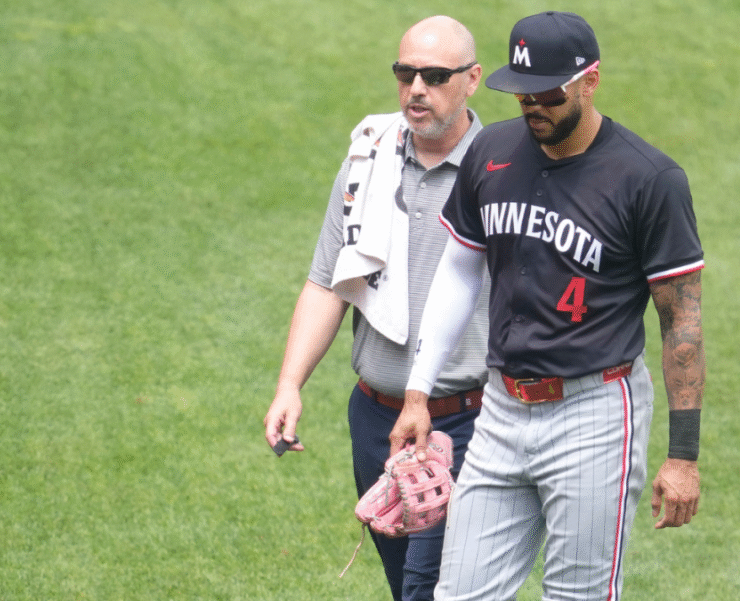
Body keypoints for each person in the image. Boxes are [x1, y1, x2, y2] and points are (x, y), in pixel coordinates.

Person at [389, 11, 705, 600]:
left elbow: (681, 321)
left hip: (595, 414)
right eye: (522, 92)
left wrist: (682, 456)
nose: (533, 105)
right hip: (502, 410)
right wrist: (417, 392)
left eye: (548, 93)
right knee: (457, 594)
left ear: (590, 80)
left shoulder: (649, 179)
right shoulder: (493, 151)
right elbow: (459, 271)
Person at [263, 15, 489, 601]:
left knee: (431, 589)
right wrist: (290, 385)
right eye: (405, 72)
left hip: (467, 421)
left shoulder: (500, 172)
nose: (417, 88)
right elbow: (327, 282)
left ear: (472, 80)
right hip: (377, 422)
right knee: (404, 585)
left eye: (435, 76)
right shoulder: (368, 160)